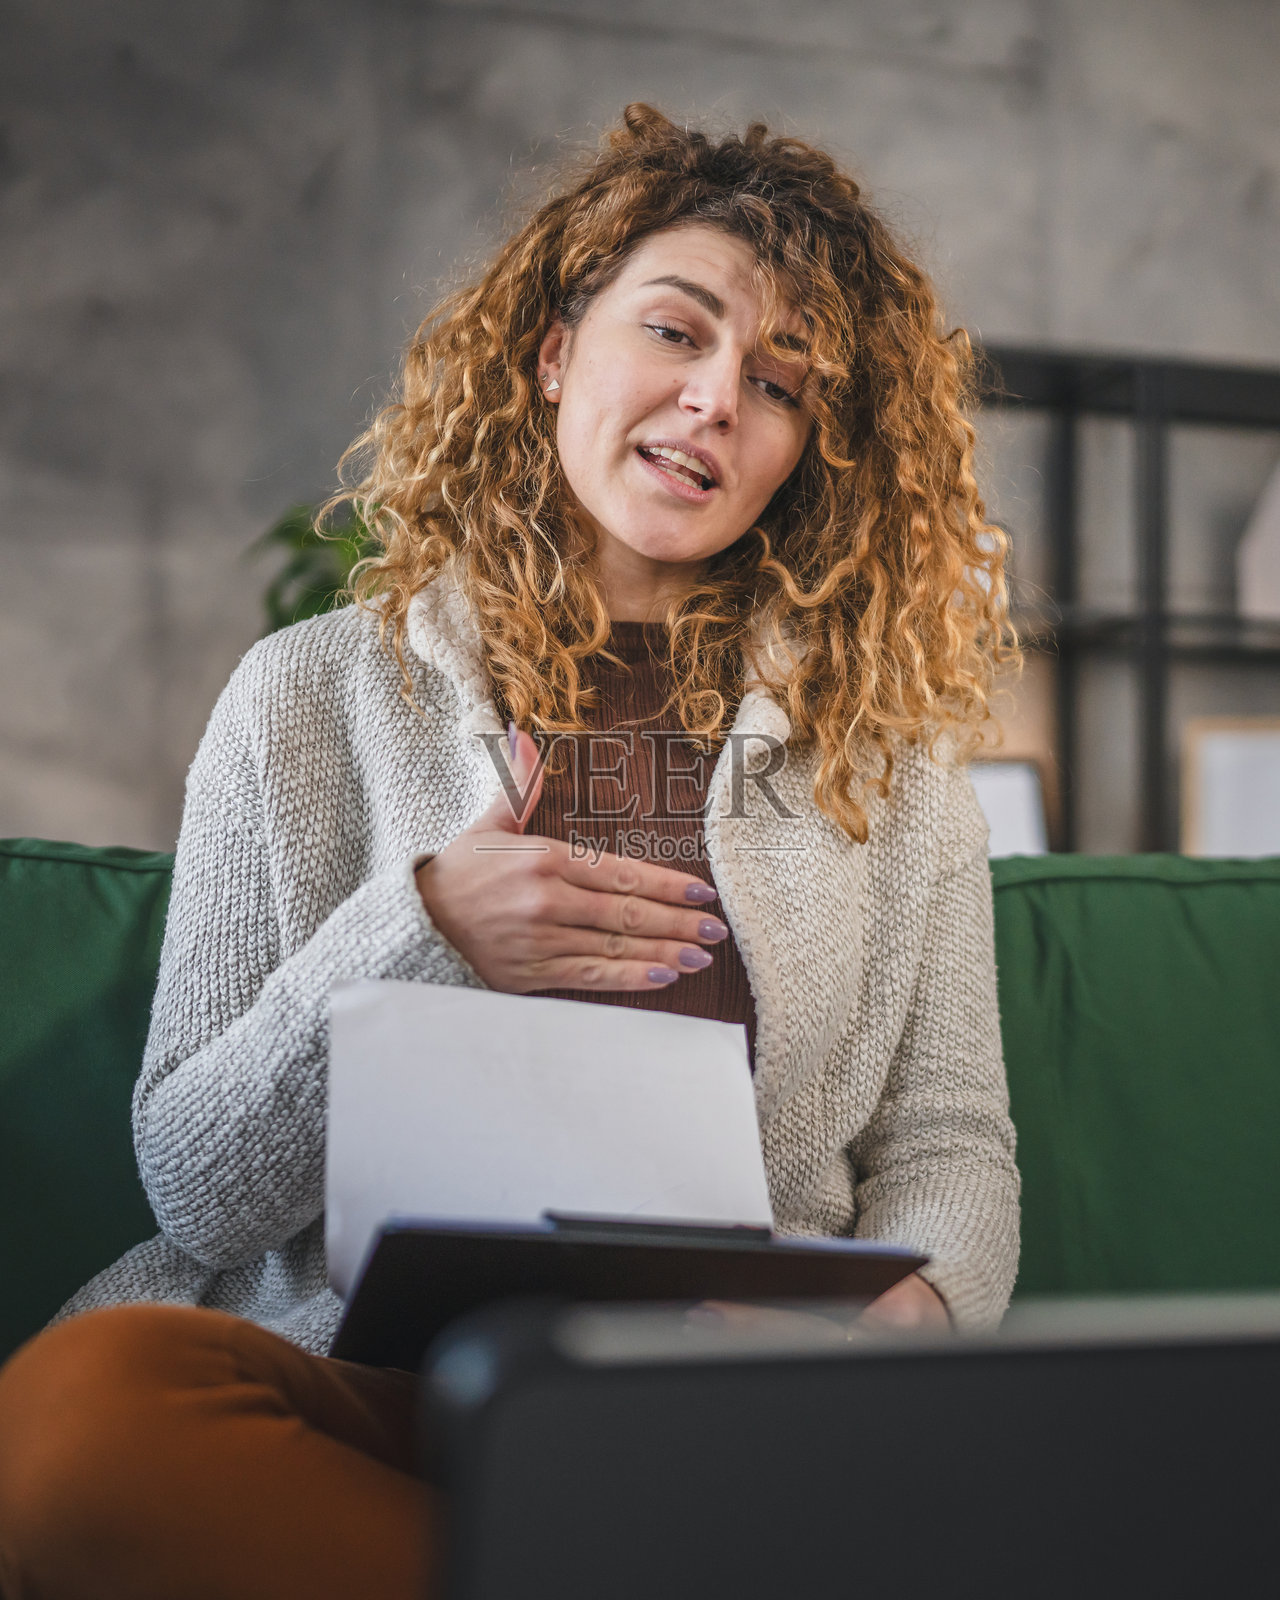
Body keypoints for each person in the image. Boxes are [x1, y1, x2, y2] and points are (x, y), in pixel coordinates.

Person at [0, 104, 1020, 1599]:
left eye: (783, 385)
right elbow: (198, 1185)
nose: (717, 398)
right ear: (555, 352)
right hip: (372, 1392)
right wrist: (420, 925)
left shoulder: (891, 766)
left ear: (811, 449)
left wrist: (900, 1326)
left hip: (711, 1415)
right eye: (676, 331)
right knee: (71, 1431)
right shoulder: (308, 697)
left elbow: (949, 1143)